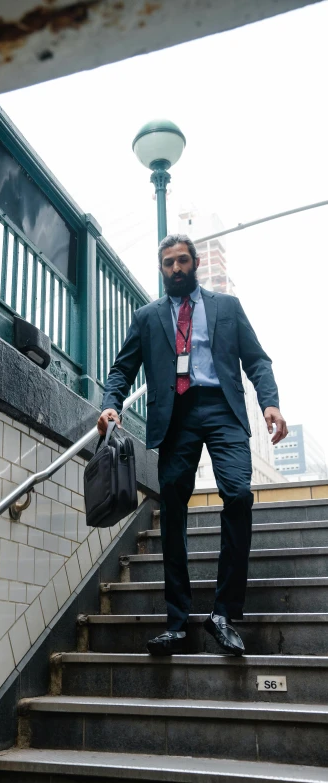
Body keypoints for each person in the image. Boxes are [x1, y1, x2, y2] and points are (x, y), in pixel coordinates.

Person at [97, 234, 287, 656]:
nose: (176, 268)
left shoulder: (226, 307)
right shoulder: (147, 317)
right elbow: (122, 368)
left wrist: (270, 403)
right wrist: (111, 406)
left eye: (183, 260)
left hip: (222, 409)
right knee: (174, 513)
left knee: (237, 494)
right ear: (162, 268)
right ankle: (178, 622)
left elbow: (256, 360)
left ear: (196, 262)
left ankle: (223, 613)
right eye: (169, 263)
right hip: (176, 416)